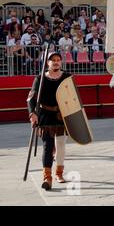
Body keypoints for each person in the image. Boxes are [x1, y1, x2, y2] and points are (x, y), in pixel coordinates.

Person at [27, 52, 72, 191]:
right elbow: (31, 98)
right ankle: (47, 177)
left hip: (61, 114)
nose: (56, 62)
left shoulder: (66, 77)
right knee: (47, 145)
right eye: (53, 60)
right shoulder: (40, 78)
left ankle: (59, 173)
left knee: (60, 145)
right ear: (48, 63)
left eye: (58, 60)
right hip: (45, 114)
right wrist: (32, 114)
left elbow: (73, 98)